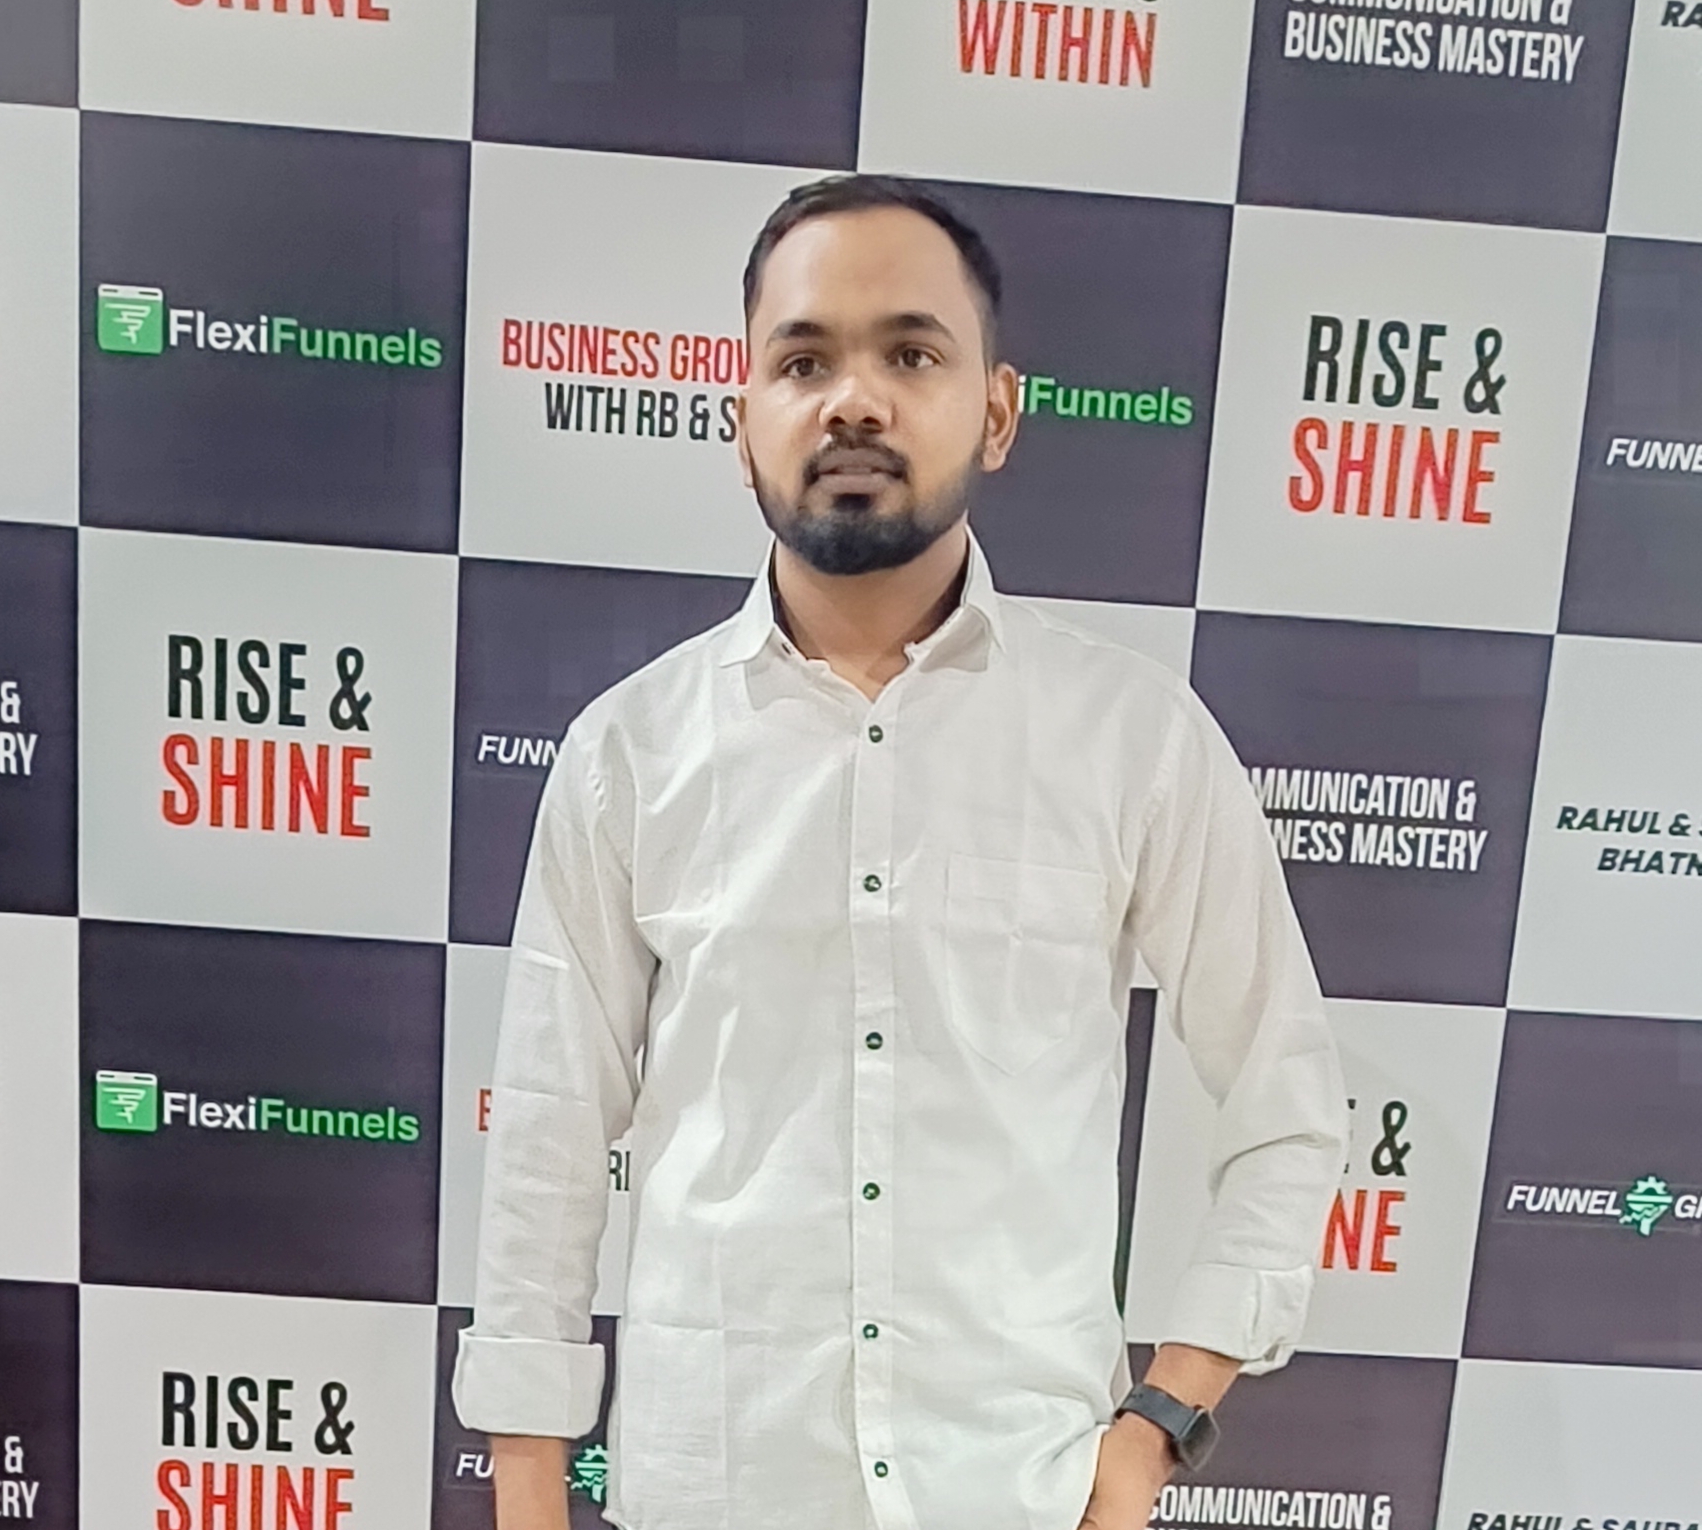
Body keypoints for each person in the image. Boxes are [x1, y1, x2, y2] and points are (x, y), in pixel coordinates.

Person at [452, 174, 1349, 1530]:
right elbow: (547, 1146)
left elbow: (1290, 1104)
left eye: (912, 355)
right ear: (741, 421)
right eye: (803, 361)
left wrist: (1160, 1422)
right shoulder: (628, 754)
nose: (853, 402)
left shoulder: (1133, 738)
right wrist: (527, 1497)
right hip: (715, 1494)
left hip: (1021, 1497)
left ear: (996, 413)